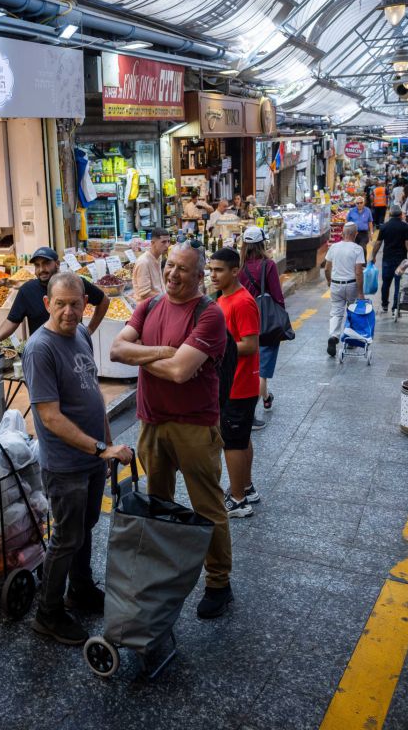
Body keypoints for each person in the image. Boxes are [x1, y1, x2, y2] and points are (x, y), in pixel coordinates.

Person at [110, 243, 233, 619]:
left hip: (194, 425)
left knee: (207, 506)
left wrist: (144, 356)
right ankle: (159, 578)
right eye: (170, 266)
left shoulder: (209, 315)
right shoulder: (148, 306)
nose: (173, 274)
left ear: (200, 277)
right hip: (151, 422)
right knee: (157, 503)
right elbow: (116, 351)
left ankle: (219, 582)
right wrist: (166, 351)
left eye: (183, 269)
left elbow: (182, 373)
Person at [23, 272, 134, 644]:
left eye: (76, 303)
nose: (69, 312)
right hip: (65, 465)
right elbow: (50, 417)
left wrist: (105, 443)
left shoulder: (82, 334)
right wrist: (100, 448)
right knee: (66, 539)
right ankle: (48, 613)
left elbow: (93, 395)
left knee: (84, 530)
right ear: (46, 304)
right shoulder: (40, 349)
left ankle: (81, 590)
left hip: (90, 458)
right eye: (61, 304)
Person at [208, 248, 261, 519]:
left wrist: (217, 348)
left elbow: (251, 345)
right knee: (241, 439)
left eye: (219, 270)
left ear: (234, 271)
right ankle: (246, 486)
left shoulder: (241, 302)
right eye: (211, 269)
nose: (213, 275)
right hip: (233, 382)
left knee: (232, 443)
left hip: (239, 384)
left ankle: (238, 499)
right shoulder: (223, 299)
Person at [0, 247, 109, 342]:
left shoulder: (74, 283)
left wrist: (89, 331)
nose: (41, 269)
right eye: (37, 265)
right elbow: (12, 320)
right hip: (43, 350)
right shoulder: (27, 291)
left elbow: (103, 300)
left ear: (57, 264)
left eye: (46, 263)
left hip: (74, 346)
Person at [239, 226, 283, 427]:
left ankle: (266, 398)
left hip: (242, 322)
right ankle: (249, 416)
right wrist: (281, 316)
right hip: (265, 322)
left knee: (248, 367)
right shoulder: (268, 265)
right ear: (262, 243)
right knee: (261, 370)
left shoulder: (238, 267)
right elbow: (277, 294)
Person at [323, 223, 365, 358]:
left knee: (336, 311)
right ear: (355, 234)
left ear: (342, 233)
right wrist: (360, 292)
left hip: (336, 284)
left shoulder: (334, 247)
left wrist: (329, 281)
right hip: (351, 284)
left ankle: (333, 335)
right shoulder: (358, 249)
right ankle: (350, 340)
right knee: (352, 311)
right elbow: (358, 272)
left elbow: (326, 268)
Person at [372, 203, 408, 314]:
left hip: (387, 259)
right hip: (401, 261)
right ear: (401, 214)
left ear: (390, 214)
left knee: (386, 283)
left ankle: (384, 305)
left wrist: (373, 256)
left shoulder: (384, 226)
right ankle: (395, 308)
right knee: (398, 284)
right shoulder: (405, 227)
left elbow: (377, 243)